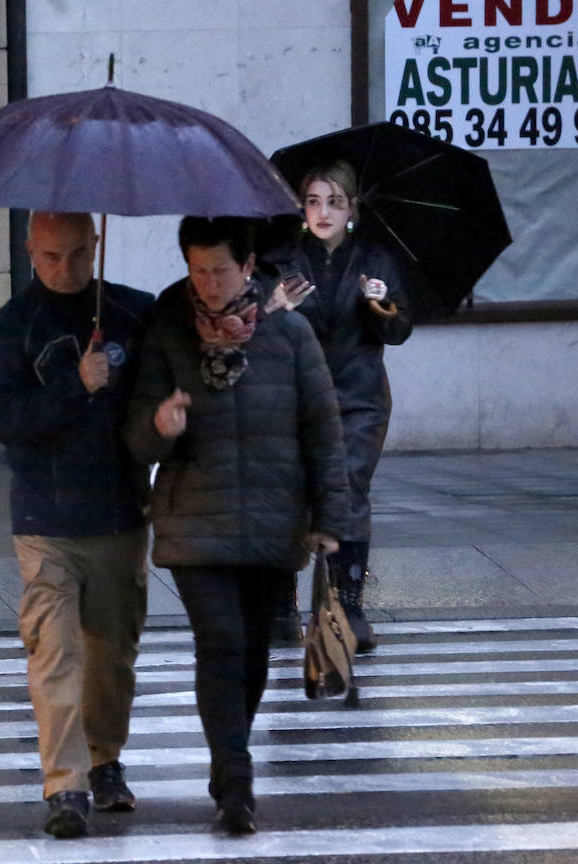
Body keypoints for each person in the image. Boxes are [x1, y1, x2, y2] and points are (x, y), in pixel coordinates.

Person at [124, 216, 348, 836]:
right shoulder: (170, 333)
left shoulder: (292, 335)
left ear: (248, 266)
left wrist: (332, 516)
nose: (210, 284)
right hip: (197, 517)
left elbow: (323, 432)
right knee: (220, 641)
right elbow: (137, 432)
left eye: (220, 269)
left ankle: (230, 767)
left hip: (275, 520)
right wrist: (157, 426)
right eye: (198, 270)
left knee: (251, 650)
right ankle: (235, 778)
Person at [0, 212, 154, 839]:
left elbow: (154, 400)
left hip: (119, 513)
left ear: (96, 246)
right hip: (45, 520)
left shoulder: (134, 313)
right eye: (51, 256)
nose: (64, 268)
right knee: (54, 651)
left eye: (78, 254)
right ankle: (65, 784)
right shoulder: (11, 327)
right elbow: (2, 416)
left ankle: (104, 758)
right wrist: (76, 387)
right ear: (30, 250)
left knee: (112, 655)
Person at [263, 160, 414, 653]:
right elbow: (250, 332)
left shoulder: (376, 260)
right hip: (296, 397)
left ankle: (347, 605)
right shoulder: (281, 260)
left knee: (347, 492)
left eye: (334, 201)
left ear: (352, 209)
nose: (322, 211)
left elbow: (398, 331)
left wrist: (381, 303)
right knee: (291, 496)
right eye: (312, 200)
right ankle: (282, 606)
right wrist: (272, 307)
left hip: (358, 398)